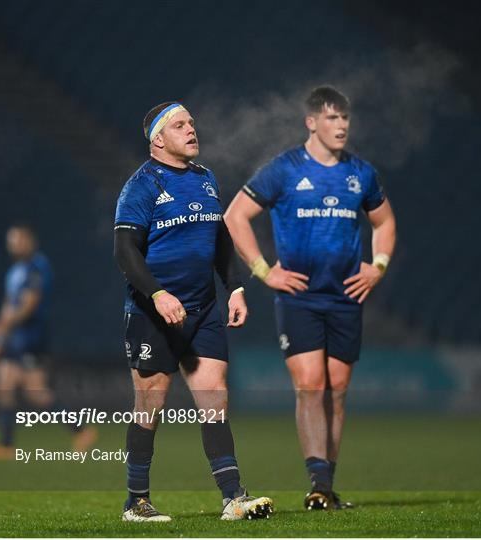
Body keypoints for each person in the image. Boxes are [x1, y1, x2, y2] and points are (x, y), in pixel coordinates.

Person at [224, 86, 397, 510]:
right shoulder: (284, 169)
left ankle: (327, 485)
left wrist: (378, 266)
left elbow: (385, 220)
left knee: (337, 389)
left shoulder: (361, 172)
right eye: (332, 118)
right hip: (300, 296)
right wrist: (265, 271)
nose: (341, 126)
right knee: (309, 385)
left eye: (345, 119)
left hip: (344, 297)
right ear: (311, 122)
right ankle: (318, 483)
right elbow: (235, 216)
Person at [114, 102, 273, 522]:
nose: (191, 130)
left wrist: (235, 287)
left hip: (202, 310)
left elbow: (220, 240)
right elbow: (125, 250)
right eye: (180, 125)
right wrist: (158, 294)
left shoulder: (205, 179)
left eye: (192, 123)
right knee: (150, 403)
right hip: (154, 313)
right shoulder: (142, 185)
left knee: (215, 398)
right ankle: (137, 501)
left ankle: (233, 497)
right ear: (158, 140)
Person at [0, 223, 97, 459]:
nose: (15, 245)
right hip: (14, 338)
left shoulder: (36, 267)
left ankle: (82, 431)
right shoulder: (14, 271)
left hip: (31, 338)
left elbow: (28, 305)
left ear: (30, 241)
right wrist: (0, 338)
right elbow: (8, 305)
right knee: (4, 387)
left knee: (37, 393)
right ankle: (6, 445)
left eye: (19, 240)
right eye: (11, 241)